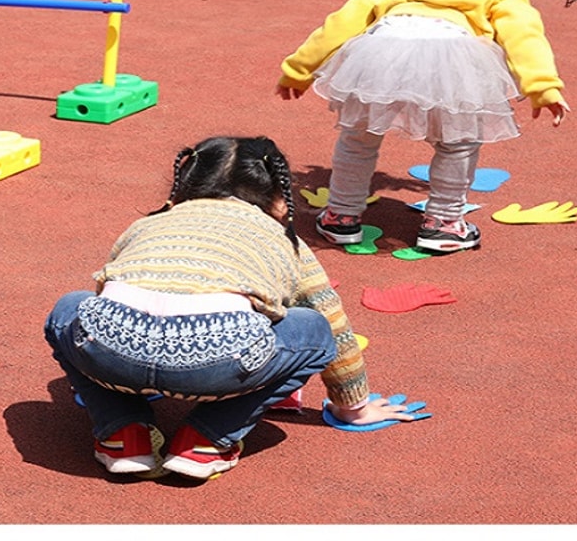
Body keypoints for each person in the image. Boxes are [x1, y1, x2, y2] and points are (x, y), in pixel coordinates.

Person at [44, 136, 418, 481]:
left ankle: (121, 430)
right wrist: (353, 407)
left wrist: (107, 378)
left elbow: (106, 294)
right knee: (315, 331)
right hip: (216, 361)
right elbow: (333, 326)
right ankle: (207, 440)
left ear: (185, 185)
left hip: (113, 354)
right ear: (277, 198)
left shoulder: (149, 224)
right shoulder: (284, 240)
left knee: (70, 309)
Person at [276, 0, 577, 254]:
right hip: (452, 57)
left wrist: (297, 71)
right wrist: (543, 87)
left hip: (382, 53)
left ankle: (340, 217)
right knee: (458, 143)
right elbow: (524, 38)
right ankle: (444, 225)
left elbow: (338, 25)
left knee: (358, 138)